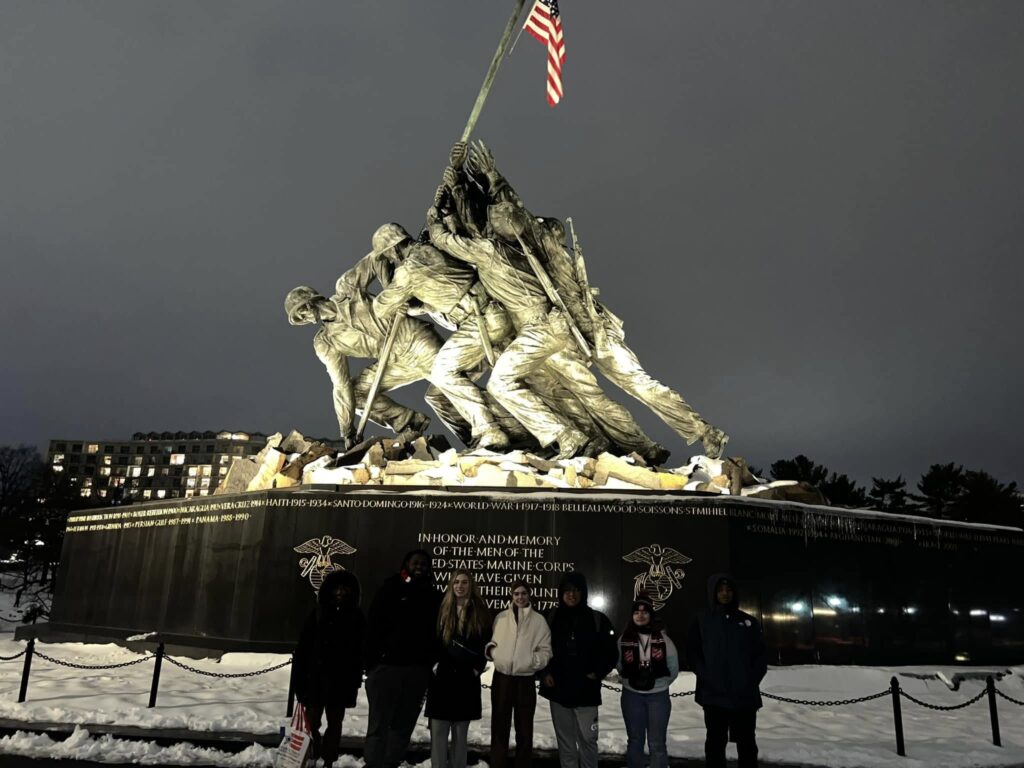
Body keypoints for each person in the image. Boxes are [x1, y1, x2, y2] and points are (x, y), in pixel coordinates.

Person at [363, 550, 443, 768]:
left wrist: (429, 664)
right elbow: (373, 626)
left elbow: (438, 634)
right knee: (379, 724)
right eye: (416, 562)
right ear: (406, 564)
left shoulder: (434, 596)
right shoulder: (390, 588)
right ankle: (373, 763)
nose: (420, 567)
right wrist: (372, 665)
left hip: (417, 672)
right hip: (386, 668)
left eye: (424, 564)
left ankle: (391, 763)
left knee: (403, 725)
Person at [686, 575, 768, 768]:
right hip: (714, 695)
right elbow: (692, 653)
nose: (725, 593)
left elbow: (760, 656)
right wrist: (707, 677)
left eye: (728, 590)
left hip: (744, 696)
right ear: (714, 592)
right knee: (715, 744)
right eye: (720, 590)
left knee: (747, 744)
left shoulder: (748, 622)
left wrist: (750, 681)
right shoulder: (702, 620)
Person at [540, 573, 618, 768]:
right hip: (559, 690)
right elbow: (538, 648)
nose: (571, 595)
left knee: (588, 740)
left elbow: (610, 652)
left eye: (575, 590)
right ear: (560, 593)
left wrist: (597, 672)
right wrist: (545, 672)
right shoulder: (551, 617)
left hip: (587, 692)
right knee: (566, 744)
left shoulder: (597, 619)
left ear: (583, 592)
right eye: (567, 591)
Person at [291, 569, 365, 768]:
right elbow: (304, 647)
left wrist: (354, 680)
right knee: (313, 722)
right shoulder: (318, 613)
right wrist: (301, 679)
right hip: (316, 678)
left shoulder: (356, 617)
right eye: (336, 589)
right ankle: (314, 754)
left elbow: (359, 651)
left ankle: (329, 759)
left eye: (344, 589)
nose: (340, 592)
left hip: (340, 681)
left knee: (335, 724)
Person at [425, 570, 492, 768]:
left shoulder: (480, 611)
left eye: (464, 582)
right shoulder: (441, 609)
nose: (460, 586)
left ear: (470, 585)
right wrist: (435, 665)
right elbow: (431, 640)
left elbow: (486, 644)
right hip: (441, 679)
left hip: (465, 680)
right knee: (438, 734)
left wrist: (476, 670)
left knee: (460, 736)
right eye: (456, 582)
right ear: (451, 585)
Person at [485, 581, 553, 768]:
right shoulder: (501, 617)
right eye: (516, 594)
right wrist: (494, 654)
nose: (520, 597)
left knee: (524, 728)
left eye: (523, 593)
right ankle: (497, 764)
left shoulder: (539, 621)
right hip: (502, 678)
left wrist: (531, 662)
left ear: (529, 595)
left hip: (525, 681)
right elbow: (491, 642)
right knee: (499, 725)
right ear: (511, 595)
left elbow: (546, 650)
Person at [617, 596, 679, 768]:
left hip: (657, 696)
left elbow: (673, 669)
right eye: (636, 612)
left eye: (645, 612)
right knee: (635, 740)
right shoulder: (623, 639)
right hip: (631, 695)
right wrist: (629, 678)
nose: (641, 616)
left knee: (657, 742)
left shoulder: (664, 640)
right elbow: (619, 662)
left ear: (651, 615)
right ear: (632, 616)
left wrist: (658, 683)